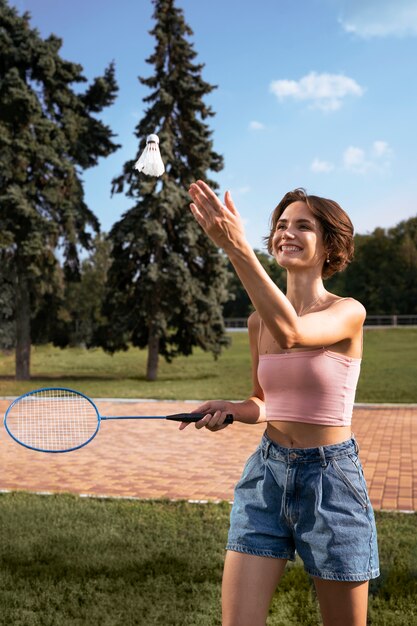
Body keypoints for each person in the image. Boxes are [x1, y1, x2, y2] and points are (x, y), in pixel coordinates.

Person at [181, 181, 379, 626]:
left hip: (331, 481)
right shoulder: (257, 323)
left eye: (303, 226)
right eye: (281, 225)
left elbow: (294, 334)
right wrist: (233, 407)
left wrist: (234, 248)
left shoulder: (348, 311)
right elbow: (263, 401)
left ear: (330, 245)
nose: (287, 232)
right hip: (265, 475)